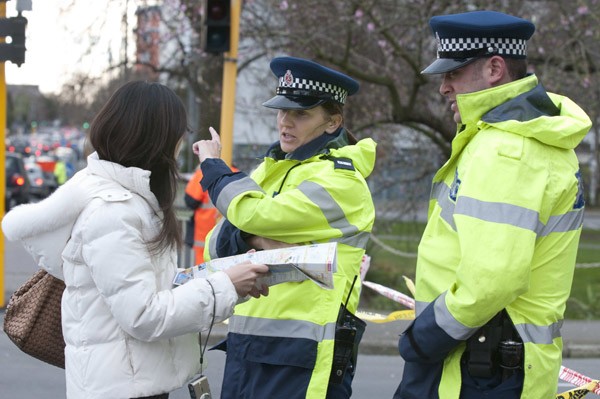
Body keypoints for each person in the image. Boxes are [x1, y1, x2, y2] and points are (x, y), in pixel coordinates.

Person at [2, 81, 270, 399]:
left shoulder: (133, 200)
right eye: (178, 134)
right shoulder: (113, 211)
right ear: (156, 137)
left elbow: (149, 290)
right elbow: (143, 315)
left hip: (134, 382)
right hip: (123, 389)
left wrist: (231, 284)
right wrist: (224, 286)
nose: (181, 144)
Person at [394, 10, 592, 399]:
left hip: (474, 366)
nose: (443, 88)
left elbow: (492, 278)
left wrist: (424, 337)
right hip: (497, 362)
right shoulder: (525, 138)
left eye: (452, 73)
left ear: (495, 69)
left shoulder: (505, 148)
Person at [193, 56, 377, 399]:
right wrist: (254, 236)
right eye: (282, 111)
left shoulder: (342, 181)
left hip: (305, 357)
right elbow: (214, 244)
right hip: (247, 345)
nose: (285, 122)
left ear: (333, 122)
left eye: (301, 114)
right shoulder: (269, 169)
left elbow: (251, 214)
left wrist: (215, 170)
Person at [183, 164, 238, 265]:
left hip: (204, 234)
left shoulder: (203, 173)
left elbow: (190, 200)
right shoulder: (236, 174)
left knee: (203, 270)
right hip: (228, 232)